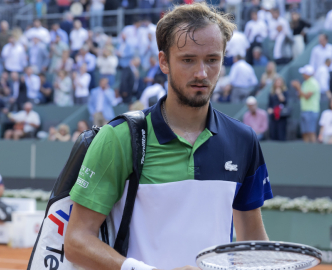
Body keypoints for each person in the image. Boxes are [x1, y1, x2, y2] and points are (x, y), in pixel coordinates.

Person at [64, 4, 273, 270]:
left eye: (212, 59)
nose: (201, 73)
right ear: (164, 62)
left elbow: (252, 240)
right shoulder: (118, 137)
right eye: (188, 59)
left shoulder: (244, 140)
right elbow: (76, 240)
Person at [291, 65, 320, 143]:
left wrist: (298, 87)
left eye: (304, 73)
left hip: (311, 111)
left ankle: (314, 150)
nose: (302, 75)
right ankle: (307, 151)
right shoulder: (305, 83)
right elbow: (301, 95)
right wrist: (297, 88)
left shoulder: (313, 83)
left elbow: (307, 96)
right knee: (305, 133)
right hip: (304, 110)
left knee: (311, 132)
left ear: (307, 74)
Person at [267, 77, 289, 141]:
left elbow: (285, 102)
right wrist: (269, 109)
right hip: (273, 116)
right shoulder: (271, 93)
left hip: (282, 116)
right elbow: (269, 104)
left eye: (280, 82)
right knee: (273, 133)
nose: (278, 84)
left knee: (281, 134)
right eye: (277, 82)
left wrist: (279, 93)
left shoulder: (285, 92)